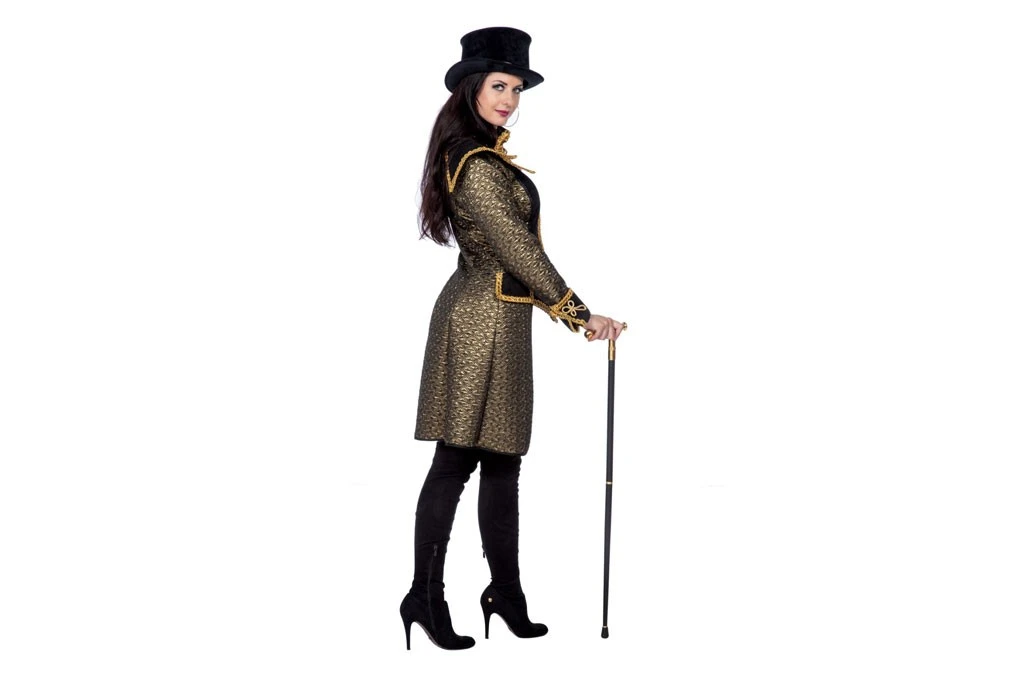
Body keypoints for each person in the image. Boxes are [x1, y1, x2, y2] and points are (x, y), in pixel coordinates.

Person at [400, 26, 626, 651]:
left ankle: (506, 593)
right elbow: (518, 250)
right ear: (473, 88)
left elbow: (518, 256)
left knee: (504, 462)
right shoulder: (475, 165)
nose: (510, 99)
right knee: (455, 460)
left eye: (517, 89)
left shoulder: (488, 158)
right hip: (475, 325)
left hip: (506, 322)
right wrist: (581, 314)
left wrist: (567, 312)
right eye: (499, 86)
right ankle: (424, 596)